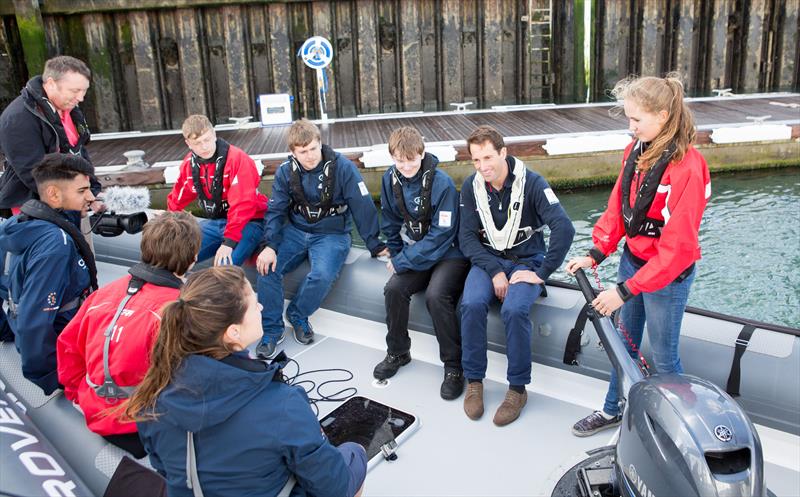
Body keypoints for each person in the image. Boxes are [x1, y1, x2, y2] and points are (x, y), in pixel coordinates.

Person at [126, 266, 367, 497]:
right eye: (253, 304)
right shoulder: (283, 405)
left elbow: (163, 466)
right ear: (233, 332)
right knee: (354, 455)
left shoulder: (152, 394)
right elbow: (334, 487)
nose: (261, 306)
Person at [566, 74, 711, 437]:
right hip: (634, 263)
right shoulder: (636, 150)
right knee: (622, 344)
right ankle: (612, 408)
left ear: (663, 115)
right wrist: (597, 252)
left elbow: (676, 250)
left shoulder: (689, 169)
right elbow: (619, 207)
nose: (630, 128)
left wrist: (624, 291)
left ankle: (673, 428)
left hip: (667, 276)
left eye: (636, 120)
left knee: (664, 357)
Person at [56, 212, 201, 458]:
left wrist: (79, 396)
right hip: (140, 424)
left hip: (95, 408)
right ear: (193, 259)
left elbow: (68, 349)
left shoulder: (102, 296)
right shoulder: (179, 311)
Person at [459, 125, 575, 426]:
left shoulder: (533, 183)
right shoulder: (471, 188)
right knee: (470, 305)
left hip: (527, 260)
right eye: (475, 160)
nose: (483, 166)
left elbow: (564, 228)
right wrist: (495, 271)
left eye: (488, 157)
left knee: (514, 309)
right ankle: (474, 381)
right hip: (489, 260)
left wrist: (543, 273)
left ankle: (517, 389)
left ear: (503, 153)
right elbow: (467, 239)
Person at [255, 119, 387, 358]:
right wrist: (270, 245)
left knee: (323, 274)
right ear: (293, 152)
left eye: (313, 149)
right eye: (303, 152)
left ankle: (297, 314)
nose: (309, 156)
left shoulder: (343, 168)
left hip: (332, 233)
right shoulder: (286, 172)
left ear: (320, 143)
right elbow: (275, 211)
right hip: (296, 230)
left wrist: (374, 244)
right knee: (267, 269)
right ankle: (272, 330)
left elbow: (363, 205)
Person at [0, 55, 102, 339]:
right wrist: (78, 199)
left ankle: (83, 319)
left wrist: (92, 189)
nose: (80, 98)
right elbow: (34, 174)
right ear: (50, 84)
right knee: (50, 277)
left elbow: (79, 153)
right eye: (74, 91)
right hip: (40, 212)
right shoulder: (16, 119)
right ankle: (43, 334)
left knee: (81, 267)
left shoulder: (69, 110)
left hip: (72, 202)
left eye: (84, 91)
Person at [373, 126, 470, 400]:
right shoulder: (390, 179)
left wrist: (405, 260)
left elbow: (443, 235)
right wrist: (395, 255)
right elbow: (390, 222)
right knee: (393, 289)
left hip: (449, 254)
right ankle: (398, 352)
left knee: (437, 296)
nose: (405, 167)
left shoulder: (442, 184)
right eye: (399, 161)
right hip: (416, 253)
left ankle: (453, 367)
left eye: (411, 161)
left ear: (422, 153)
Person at [0, 153, 98, 394]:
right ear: (54, 194)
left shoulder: (16, 225)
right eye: (82, 190)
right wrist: (52, 379)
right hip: (65, 352)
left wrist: (5, 330)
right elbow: (35, 322)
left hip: (30, 335)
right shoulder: (56, 244)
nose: (91, 197)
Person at [165, 114, 268, 266]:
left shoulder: (238, 160)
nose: (204, 147)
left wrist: (228, 243)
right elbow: (179, 195)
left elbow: (243, 204)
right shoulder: (189, 164)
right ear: (188, 143)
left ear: (214, 134)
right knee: (176, 259)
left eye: (206, 139)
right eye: (197, 143)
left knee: (223, 267)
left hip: (250, 222)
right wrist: (169, 221)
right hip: (217, 222)